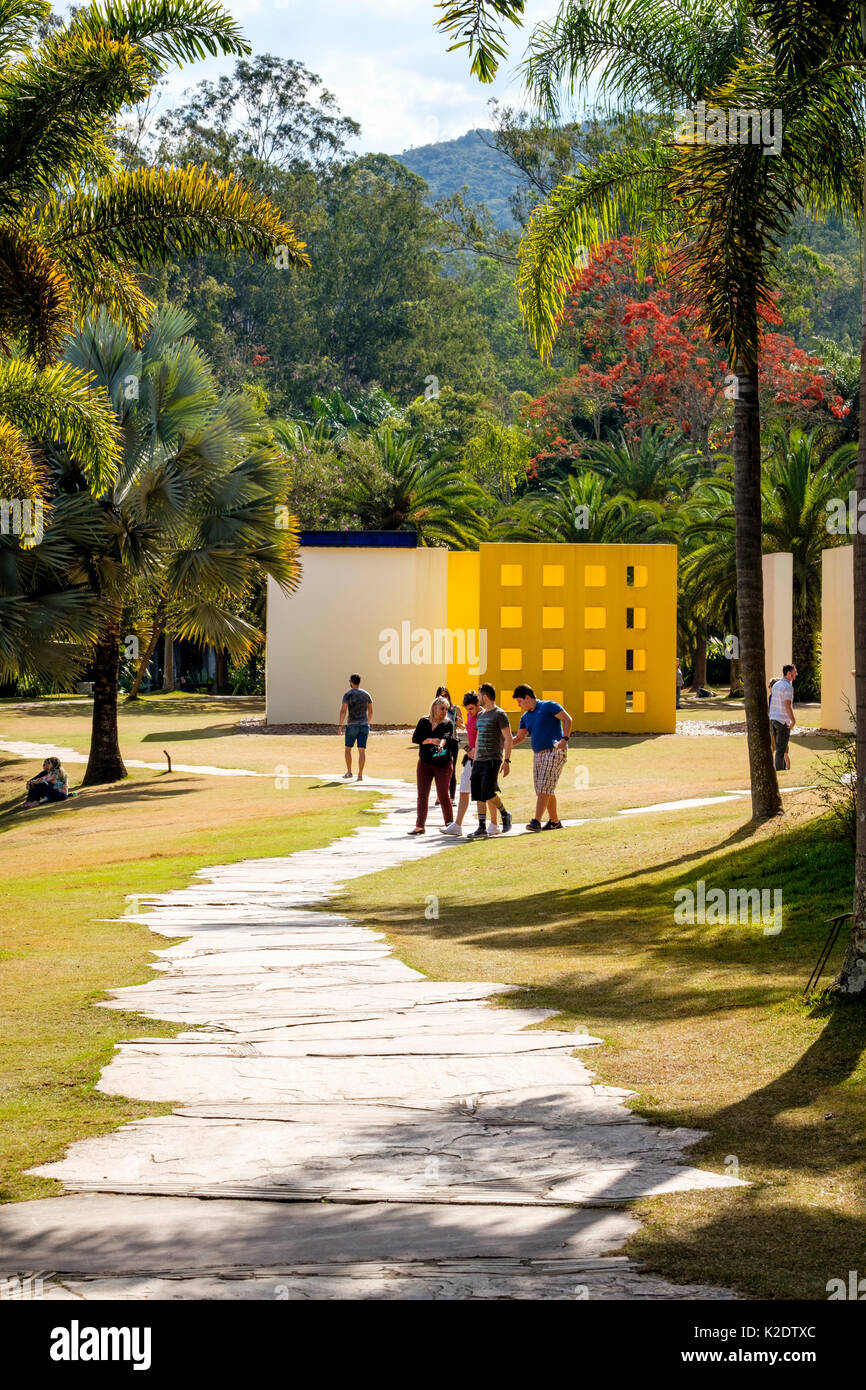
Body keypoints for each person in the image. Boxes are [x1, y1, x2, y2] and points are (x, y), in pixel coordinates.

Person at [512, 684, 572, 831]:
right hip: (538, 755)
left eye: (520, 701)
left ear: (527, 697)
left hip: (555, 751)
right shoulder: (525, 717)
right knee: (543, 789)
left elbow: (567, 719)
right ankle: (555, 822)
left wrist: (565, 738)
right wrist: (504, 742)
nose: (519, 705)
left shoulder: (548, 706)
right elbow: (519, 738)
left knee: (544, 786)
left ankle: (536, 821)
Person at [466, 682, 513, 840]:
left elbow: (508, 738)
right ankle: (481, 827)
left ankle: (505, 814)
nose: (478, 698)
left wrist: (507, 761)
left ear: (485, 696)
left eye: (479, 695)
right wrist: (475, 759)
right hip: (479, 760)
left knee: (487, 791)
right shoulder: (481, 715)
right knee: (478, 792)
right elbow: (479, 738)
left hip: (493, 759)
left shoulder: (499, 714)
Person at [409, 696, 455, 835]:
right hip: (425, 763)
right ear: (434, 707)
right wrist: (430, 740)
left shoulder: (448, 724)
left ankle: (450, 824)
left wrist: (440, 744)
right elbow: (416, 738)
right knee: (422, 794)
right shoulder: (424, 721)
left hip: (443, 764)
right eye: (442, 708)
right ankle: (420, 826)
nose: (444, 712)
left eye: (447, 709)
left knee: (443, 795)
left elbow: (446, 737)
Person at [440, 690, 479, 838]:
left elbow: (466, 729)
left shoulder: (481, 716)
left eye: (471, 708)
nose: (469, 711)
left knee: (486, 794)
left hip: (480, 758)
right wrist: (469, 749)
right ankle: (457, 825)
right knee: (464, 789)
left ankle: (499, 817)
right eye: (467, 708)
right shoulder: (471, 715)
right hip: (470, 757)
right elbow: (468, 736)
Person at [338, 675, 373, 781]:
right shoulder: (366, 694)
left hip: (352, 725)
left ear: (351, 682)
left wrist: (340, 726)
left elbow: (343, 710)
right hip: (364, 725)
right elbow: (370, 711)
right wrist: (367, 722)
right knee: (362, 750)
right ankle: (360, 774)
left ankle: (349, 772)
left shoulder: (348, 694)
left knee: (348, 749)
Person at [436, 685, 463, 800]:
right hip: (440, 742)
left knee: (452, 769)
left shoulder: (455, 709)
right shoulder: (435, 709)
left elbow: (462, 726)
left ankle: (451, 797)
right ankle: (440, 796)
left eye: (446, 695)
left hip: (452, 741)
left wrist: (458, 721)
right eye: (441, 696)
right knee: (439, 769)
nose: (444, 698)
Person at [769, 663, 797, 772]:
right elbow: (787, 705)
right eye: (795, 672)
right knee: (781, 750)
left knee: (778, 748)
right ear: (789, 673)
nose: (796, 674)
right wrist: (793, 720)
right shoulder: (788, 687)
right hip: (782, 721)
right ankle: (780, 771)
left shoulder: (776, 685)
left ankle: (779, 770)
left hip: (773, 719)